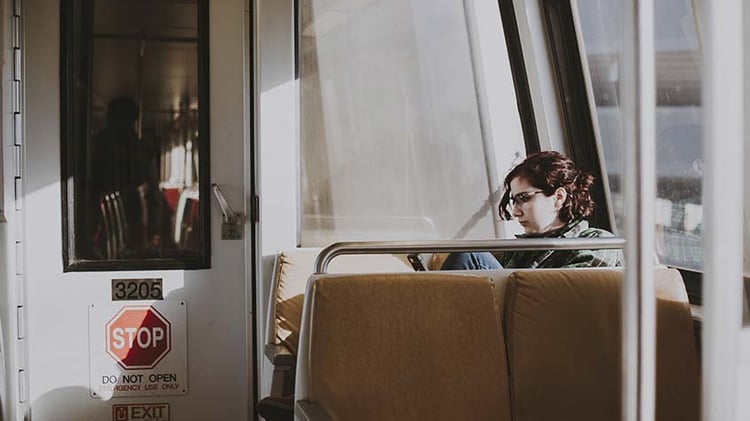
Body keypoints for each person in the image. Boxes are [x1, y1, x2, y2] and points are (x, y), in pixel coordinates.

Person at [441, 151, 623, 270]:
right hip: (518, 320)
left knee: (470, 256)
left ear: (558, 197)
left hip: (550, 323)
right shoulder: (519, 251)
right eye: (515, 201)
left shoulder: (597, 242)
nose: (515, 212)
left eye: (524, 198)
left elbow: (566, 296)